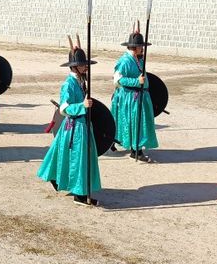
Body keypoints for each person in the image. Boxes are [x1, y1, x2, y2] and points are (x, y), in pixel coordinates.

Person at [37, 43, 101, 206]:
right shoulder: (68, 84)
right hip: (75, 127)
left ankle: (58, 178)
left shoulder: (81, 80)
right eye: (82, 64)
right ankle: (79, 195)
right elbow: (63, 109)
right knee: (78, 159)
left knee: (66, 156)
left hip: (82, 124)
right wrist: (82, 106)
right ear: (75, 67)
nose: (86, 66)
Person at [111, 27, 158, 162]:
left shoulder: (139, 58)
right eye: (141, 46)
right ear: (135, 47)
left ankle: (129, 147)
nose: (142, 49)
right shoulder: (125, 61)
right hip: (129, 98)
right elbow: (117, 79)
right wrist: (136, 81)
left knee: (137, 123)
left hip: (138, 97)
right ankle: (136, 151)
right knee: (134, 123)